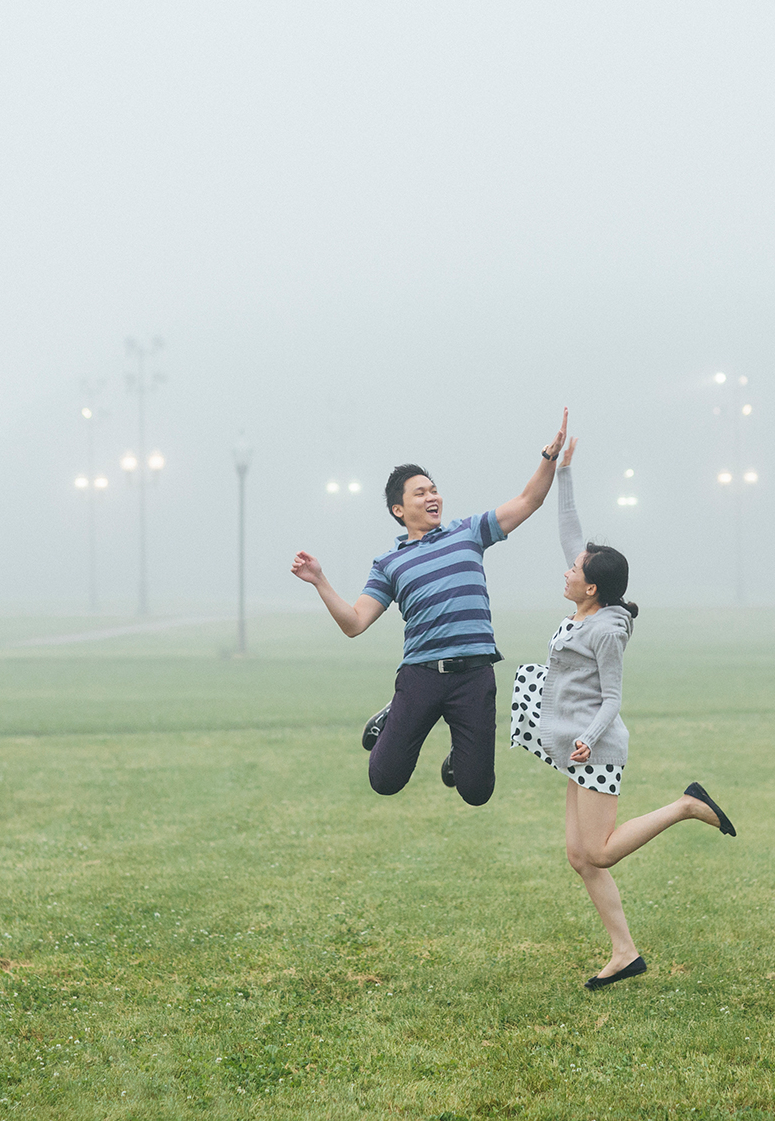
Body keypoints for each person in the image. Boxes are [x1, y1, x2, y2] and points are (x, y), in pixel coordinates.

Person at [509, 438, 736, 990]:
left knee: (601, 852)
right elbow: (569, 530)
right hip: (574, 743)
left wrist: (587, 738)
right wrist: (564, 473)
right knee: (579, 857)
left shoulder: (607, 629)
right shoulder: (589, 601)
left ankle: (686, 805)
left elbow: (612, 700)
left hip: (597, 746)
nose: (566, 571)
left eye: (576, 570)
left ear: (591, 588)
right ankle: (624, 953)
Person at [289, 410, 570, 807]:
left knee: (476, 792)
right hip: (421, 677)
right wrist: (320, 580)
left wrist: (548, 456)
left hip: (473, 676)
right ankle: (393, 715)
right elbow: (354, 623)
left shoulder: (469, 532)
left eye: (433, 489)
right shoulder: (389, 564)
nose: (432, 497)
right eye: (419, 493)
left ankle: (460, 754)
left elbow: (529, 500)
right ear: (399, 510)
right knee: (384, 780)